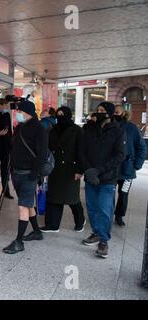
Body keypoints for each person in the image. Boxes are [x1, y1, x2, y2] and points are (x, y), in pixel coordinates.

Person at [80, 101, 126, 259]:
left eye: (102, 110)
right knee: (92, 208)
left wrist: (98, 170)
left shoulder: (118, 131)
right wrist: (88, 170)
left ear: (110, 113)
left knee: (105, 210)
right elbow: (82, 151)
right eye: (97, 110)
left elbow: (120, 155)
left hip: (107, 178)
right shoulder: (89, 129)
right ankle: (96, 232)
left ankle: (104, 241)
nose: (98, 113)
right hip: (90, 177)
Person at [3, 100, 48, 254]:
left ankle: (18, 242)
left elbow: (42, 154)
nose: (17, 114)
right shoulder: (20, 127)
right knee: (28, 204)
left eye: (19, 112)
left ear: (27, 112)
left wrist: (35, 174)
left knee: (23, 206)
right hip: (17, 172)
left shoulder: (39, 128)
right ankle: (36, 232)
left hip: (29, 174)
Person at [40, 106, 86, 233]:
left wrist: (80, 170)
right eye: (58, 114)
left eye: (62, 114)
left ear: (68, 115)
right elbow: (48, 148)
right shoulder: (53, 129)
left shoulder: (77, 130)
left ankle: (80, 221)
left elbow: (81, 151)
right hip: (55, 168)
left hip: (71, 168)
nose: (60, 116)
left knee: (72, 198)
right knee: (54, 197)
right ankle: (52, 225)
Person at [113, 105, 147, 226]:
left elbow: (142, 147)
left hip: (127, 170)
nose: (114, 114)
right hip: (110, 169)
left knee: (123, 193)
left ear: (123, 113)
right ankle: (107, 213)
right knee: (109, 193)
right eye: (113, 112)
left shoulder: (132, 128)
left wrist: (136, 165)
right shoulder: (108, 127)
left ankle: (119, 215)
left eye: (117, 112)